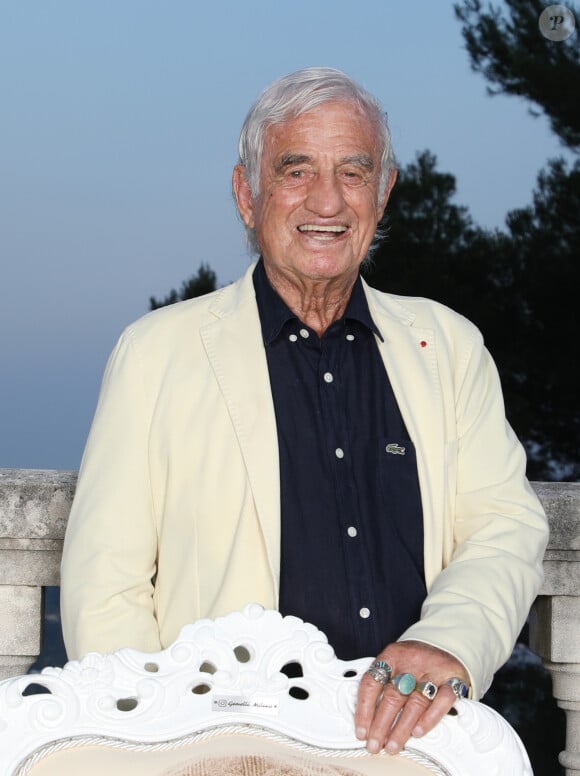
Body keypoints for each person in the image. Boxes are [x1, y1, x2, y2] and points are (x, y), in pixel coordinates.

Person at [60, 67, 548, 756]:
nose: (329, 200)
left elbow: (503, 525)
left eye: (354, 171)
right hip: (225, 752)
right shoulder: (155, 354)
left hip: (410, 748)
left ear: (384, 193)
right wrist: (162, 752)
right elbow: (104, 587)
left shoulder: (449, 348)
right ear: (245, 194)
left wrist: (446, 642)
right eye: (296, 171)